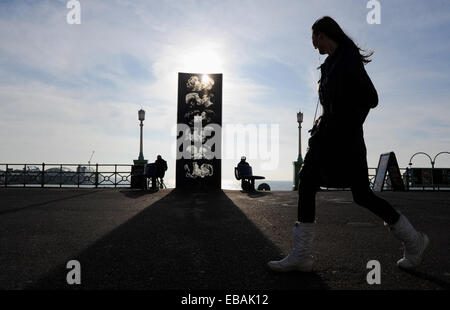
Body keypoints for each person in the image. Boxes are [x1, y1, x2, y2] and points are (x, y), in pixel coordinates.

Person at [268, 16, 429, 272]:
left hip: (346, 140)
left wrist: (348, 124)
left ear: (322, 34)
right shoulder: (331, 63)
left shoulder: (348, 59)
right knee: (308, 181)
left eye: (313, 38)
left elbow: (371, 98)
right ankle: (302, 255)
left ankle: (414, 240)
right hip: (327, 138)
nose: (312, 46)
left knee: (361, 195)